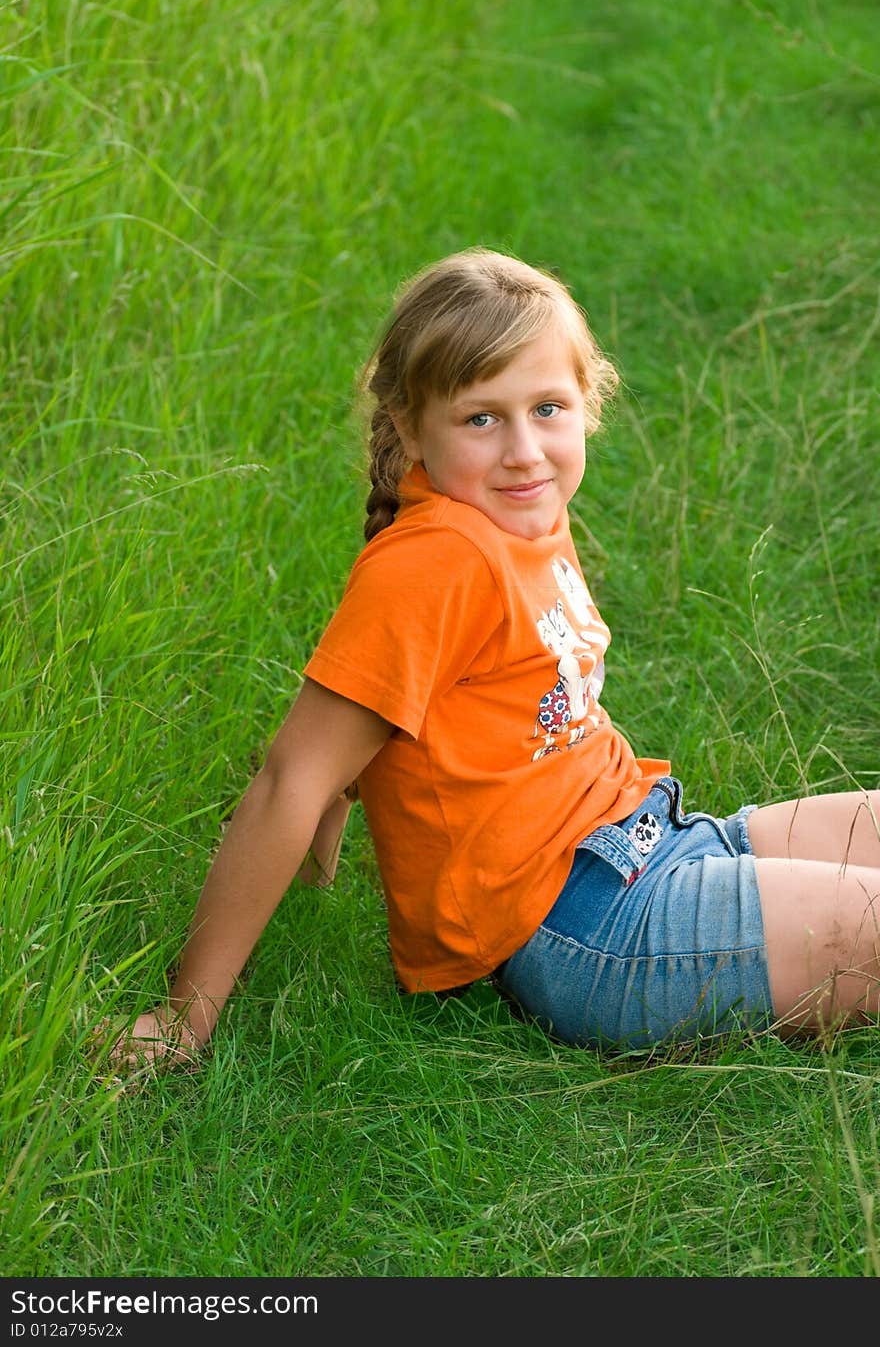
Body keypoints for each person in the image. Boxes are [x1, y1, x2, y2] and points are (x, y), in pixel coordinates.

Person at [104, 247, 880, 1069]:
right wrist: (183, 1015)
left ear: (588, 401)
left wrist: (340, 806)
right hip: (590, 930)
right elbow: (287, 779)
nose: (524, 451)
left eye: (548, 408)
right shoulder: (437, 558)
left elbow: (411, 703)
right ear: (409, 426)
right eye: (482, 418)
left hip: (658, 839)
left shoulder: (517, 513)